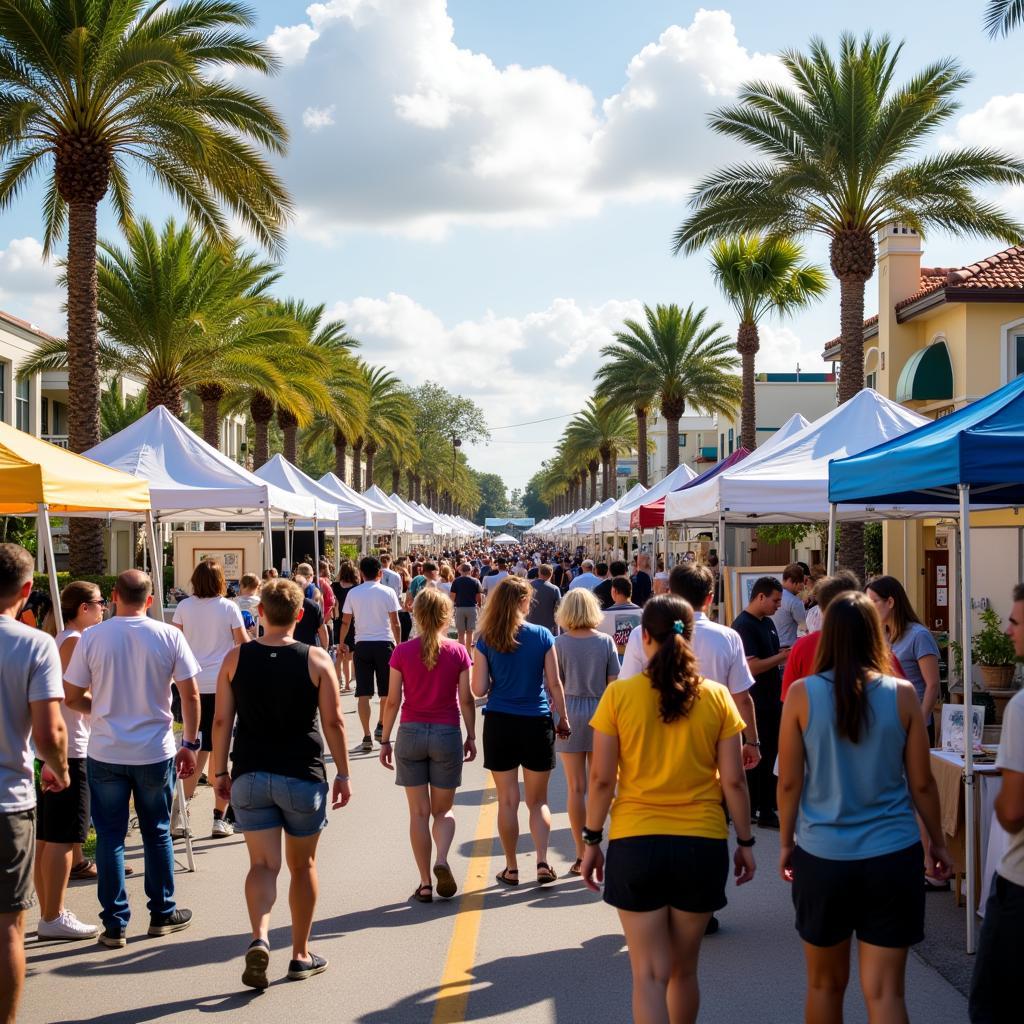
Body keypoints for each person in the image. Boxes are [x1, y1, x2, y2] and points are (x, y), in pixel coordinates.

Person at [778, 592, 953, 1024]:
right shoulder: (903, 693)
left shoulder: (802, 694)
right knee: (887, 993)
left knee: (823, 986)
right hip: (892, 854)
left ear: (828, 636)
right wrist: (939, 845)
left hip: (823, 855)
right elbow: (923, 783)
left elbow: (789, 782)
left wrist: (785, 843)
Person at [582, 595, 755, 1024]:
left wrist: (590, 840)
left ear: (643, 637)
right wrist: (746, 841)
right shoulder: (716, 697)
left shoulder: (620, 696)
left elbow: (602, 780)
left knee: (648, 975)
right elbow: (733, 780)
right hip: (702, 841)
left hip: (636, 841)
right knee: (684, 970)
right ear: (689, 637)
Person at [212, 578, 352, 989]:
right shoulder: (316, 659)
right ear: (299, 615)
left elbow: (221, 721)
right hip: (301, 774)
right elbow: (333, 722)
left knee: (262, 865)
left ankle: (259, 936)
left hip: (250, 773)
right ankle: (300, 953)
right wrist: (343, 772)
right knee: (302, 865)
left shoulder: (235, 658)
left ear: (259, 614)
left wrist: (219, 772)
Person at [64, 570, 201, 948]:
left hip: (105, 749)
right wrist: (189, 741)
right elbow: (189, 696)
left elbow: (72, 695)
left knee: (109, 835)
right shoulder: (169, 635)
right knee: (157, 832)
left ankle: (115, 923)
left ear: (113, 596)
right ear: (151, 600)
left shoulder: (92, 637)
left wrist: (102, 708)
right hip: (154, 749)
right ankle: (161, 912)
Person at [0, 544, 69, 1021]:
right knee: (8, 928)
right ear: (27, 591)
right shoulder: (33, 643)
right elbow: (49, 731)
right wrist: (60, 768)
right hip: (8, 799)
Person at [471, 576, 571, 886]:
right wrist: (563, 719)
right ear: (523, 602)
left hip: (500, 721)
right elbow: (554, 684)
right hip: (536, 720)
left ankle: (511, 867)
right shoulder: (542, 635)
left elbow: (478, 689)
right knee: (538, 801)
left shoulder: (485, 638)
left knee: (507, 800)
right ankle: (542, 861)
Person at [379, 588, 477, 902]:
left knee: (419, 813)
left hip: (410, 732)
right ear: (447, 615)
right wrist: (471, 735)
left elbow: (393, 700)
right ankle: (442, 859)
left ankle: (424, 882)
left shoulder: (402, 652)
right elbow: (467, 699)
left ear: (416, 614)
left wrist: (384, 737)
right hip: (447, 732)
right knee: (443, 812)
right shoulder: (459, 651)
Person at [34, 582, 105, 941]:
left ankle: (49, 908)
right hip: (71, 747)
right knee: (61, 835)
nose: (104, 608)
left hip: (62, 744)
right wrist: (108, 705)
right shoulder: (75, 640)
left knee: (48, 835)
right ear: (82, 608)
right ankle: (53, 914)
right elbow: (70, 692)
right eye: (99, 602)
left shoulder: (63, 638)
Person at [970, 583, 1024, 1024]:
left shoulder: (1022, 708)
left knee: (994, 1006)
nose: (1008, 631)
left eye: (1016, 621)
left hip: (1021, 882)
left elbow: (1011, 811)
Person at [172, 559, 247, 838]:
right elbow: (242, 644)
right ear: (220, 582)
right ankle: (220, 816)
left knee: (194, 746)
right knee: (221, 749)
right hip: (222, 684)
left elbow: (175, 643)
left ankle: (181, 812)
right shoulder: (228, 607)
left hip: (191, 683)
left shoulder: (184, 607)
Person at [553, 590, 619, 875]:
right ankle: (601, 847)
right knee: (602, 784)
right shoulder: (605, 642)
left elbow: (554, 685)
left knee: (575, 787)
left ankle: (581, 855)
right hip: (601, 711)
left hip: (569, 710)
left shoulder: (558, 643)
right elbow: (614, 685)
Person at [732, 577, 788, 829]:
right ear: (760, 597)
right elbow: (751, 666)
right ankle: (760, 807)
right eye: (775, 600)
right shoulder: (744, 625)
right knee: (759, 755)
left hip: (771, 700)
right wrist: (781, 658)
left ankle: (763, 805)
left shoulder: (767, 623)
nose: (778, 605)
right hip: (757, 702)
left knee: (770, 753)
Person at [339, 557, 402, 752]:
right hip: (385, 643)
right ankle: (381, 724)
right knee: (386, 691)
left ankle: (366, 734)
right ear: (380, 573)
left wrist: (341, 642)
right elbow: (396, 622)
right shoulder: (388, 592)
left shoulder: (353, 593)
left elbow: (346, 622)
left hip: (362, 644)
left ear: (361, 573)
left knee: (363, 693)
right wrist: (399, 645)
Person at [332, 564, 359, 692]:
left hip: (338, 621)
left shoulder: (335, 586)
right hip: (352, 622)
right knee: (349, 656)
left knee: (339, 654)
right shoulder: (356, 588)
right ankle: (348, 684)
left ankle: (339, 682)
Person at [291, 565, 329, 650]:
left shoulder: (286, 602)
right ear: (310, 576)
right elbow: (321, 625)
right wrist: (324, 648)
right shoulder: (315, 591)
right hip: (310, 641)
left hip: (293, 642)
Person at [772, 563, 807, 648]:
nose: (801, 589)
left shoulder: (770, 595)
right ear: (793, 582)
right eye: (800, 584)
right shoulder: (795, 601)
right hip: (787, 648)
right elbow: (804, 626)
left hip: (770, 646)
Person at [450, 562, 482, 652]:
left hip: (460, 608)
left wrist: (452, 607)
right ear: (470, 570)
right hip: (472, 608)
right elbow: (479, 597)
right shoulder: (476, 581)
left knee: (460, 633)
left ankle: (461, 653)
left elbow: (452, 596)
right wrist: (479, 605)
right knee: (470, 633)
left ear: (461, 570)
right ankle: (468, 653)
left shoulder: (456, 581)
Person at [527, 564, 562, 633]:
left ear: (539, 573)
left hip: (530, 624)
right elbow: (559, 609)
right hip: (548, 627)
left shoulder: (529, 586)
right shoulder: (554, 589)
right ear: (551, 574)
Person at [235, 574, 262, 640]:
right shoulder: (260, 602)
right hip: (256, 638)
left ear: (242, 586)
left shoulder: (234, 602)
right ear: (257, 587)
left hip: (238, 638)